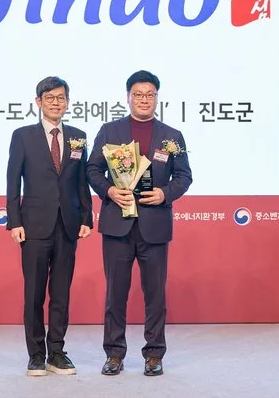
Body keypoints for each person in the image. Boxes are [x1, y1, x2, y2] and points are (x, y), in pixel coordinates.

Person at [86, 70, 192, 377]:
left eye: (150, 95)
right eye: (138, 95)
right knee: (115, 294)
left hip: (154, 225)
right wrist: (109, 190)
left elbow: (184, 176)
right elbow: (92, 170)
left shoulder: (172, 136)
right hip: (117, 224)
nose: (144, 100)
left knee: (155, 294)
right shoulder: (110, 130)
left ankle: (154, 354)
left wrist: (164, 193)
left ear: (157, 98)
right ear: (128, 97)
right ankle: (114, 353)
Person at [5, 76, 93, 376]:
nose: (56, 103)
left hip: (68, 224)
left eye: (61, 98)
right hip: (33, 225)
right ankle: (35, 354)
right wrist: (14, 221)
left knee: (61, 292)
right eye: (50, 97)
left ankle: (57, 352)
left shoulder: (79, 136)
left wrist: (86, 217)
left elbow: (81, 182)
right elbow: (12, 181)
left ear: (68, 102)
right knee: (34, 293)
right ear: (38, 102)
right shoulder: (23, 136)